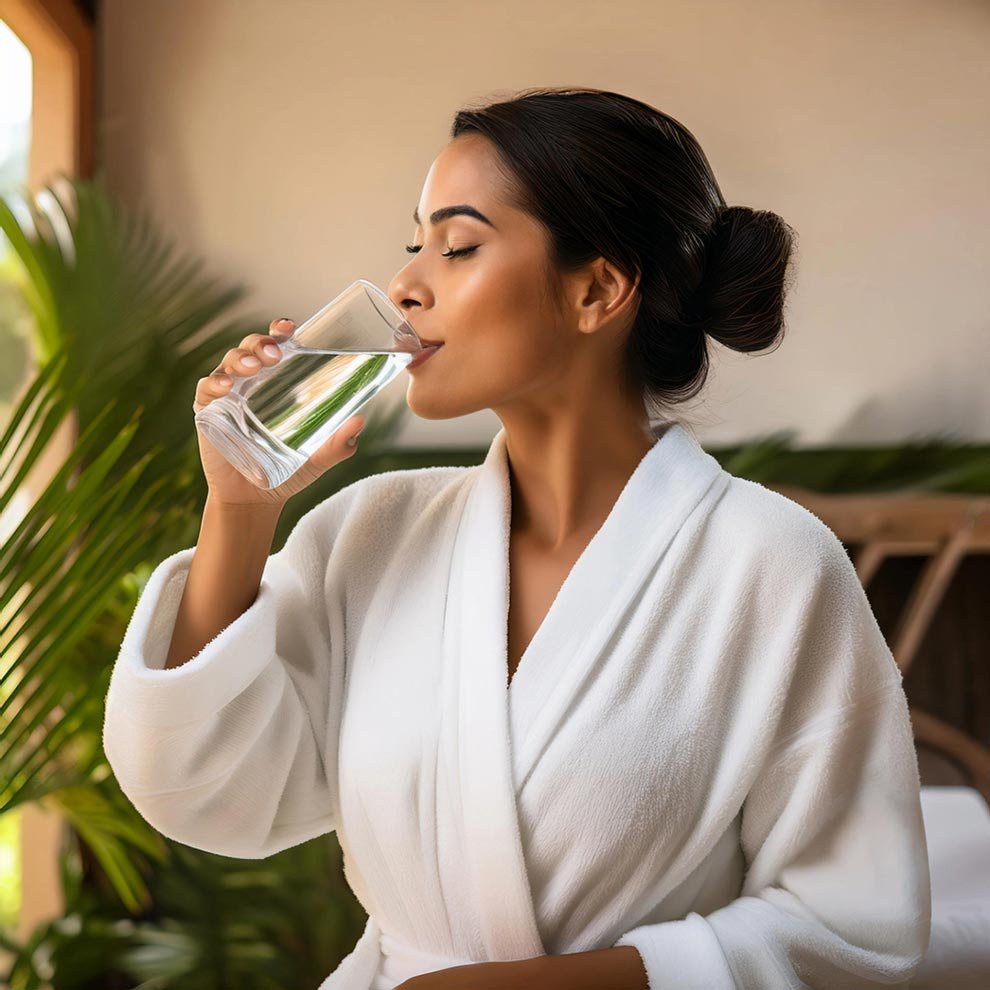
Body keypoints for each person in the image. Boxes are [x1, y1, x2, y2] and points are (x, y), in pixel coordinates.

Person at [102, 86, 931, 990]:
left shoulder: (772, 566)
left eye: (459, 246)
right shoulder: (372, 532)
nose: (408, 284)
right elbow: (205, 788)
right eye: (414, 243)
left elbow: (855, 925)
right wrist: (241, 504)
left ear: (595, 289)